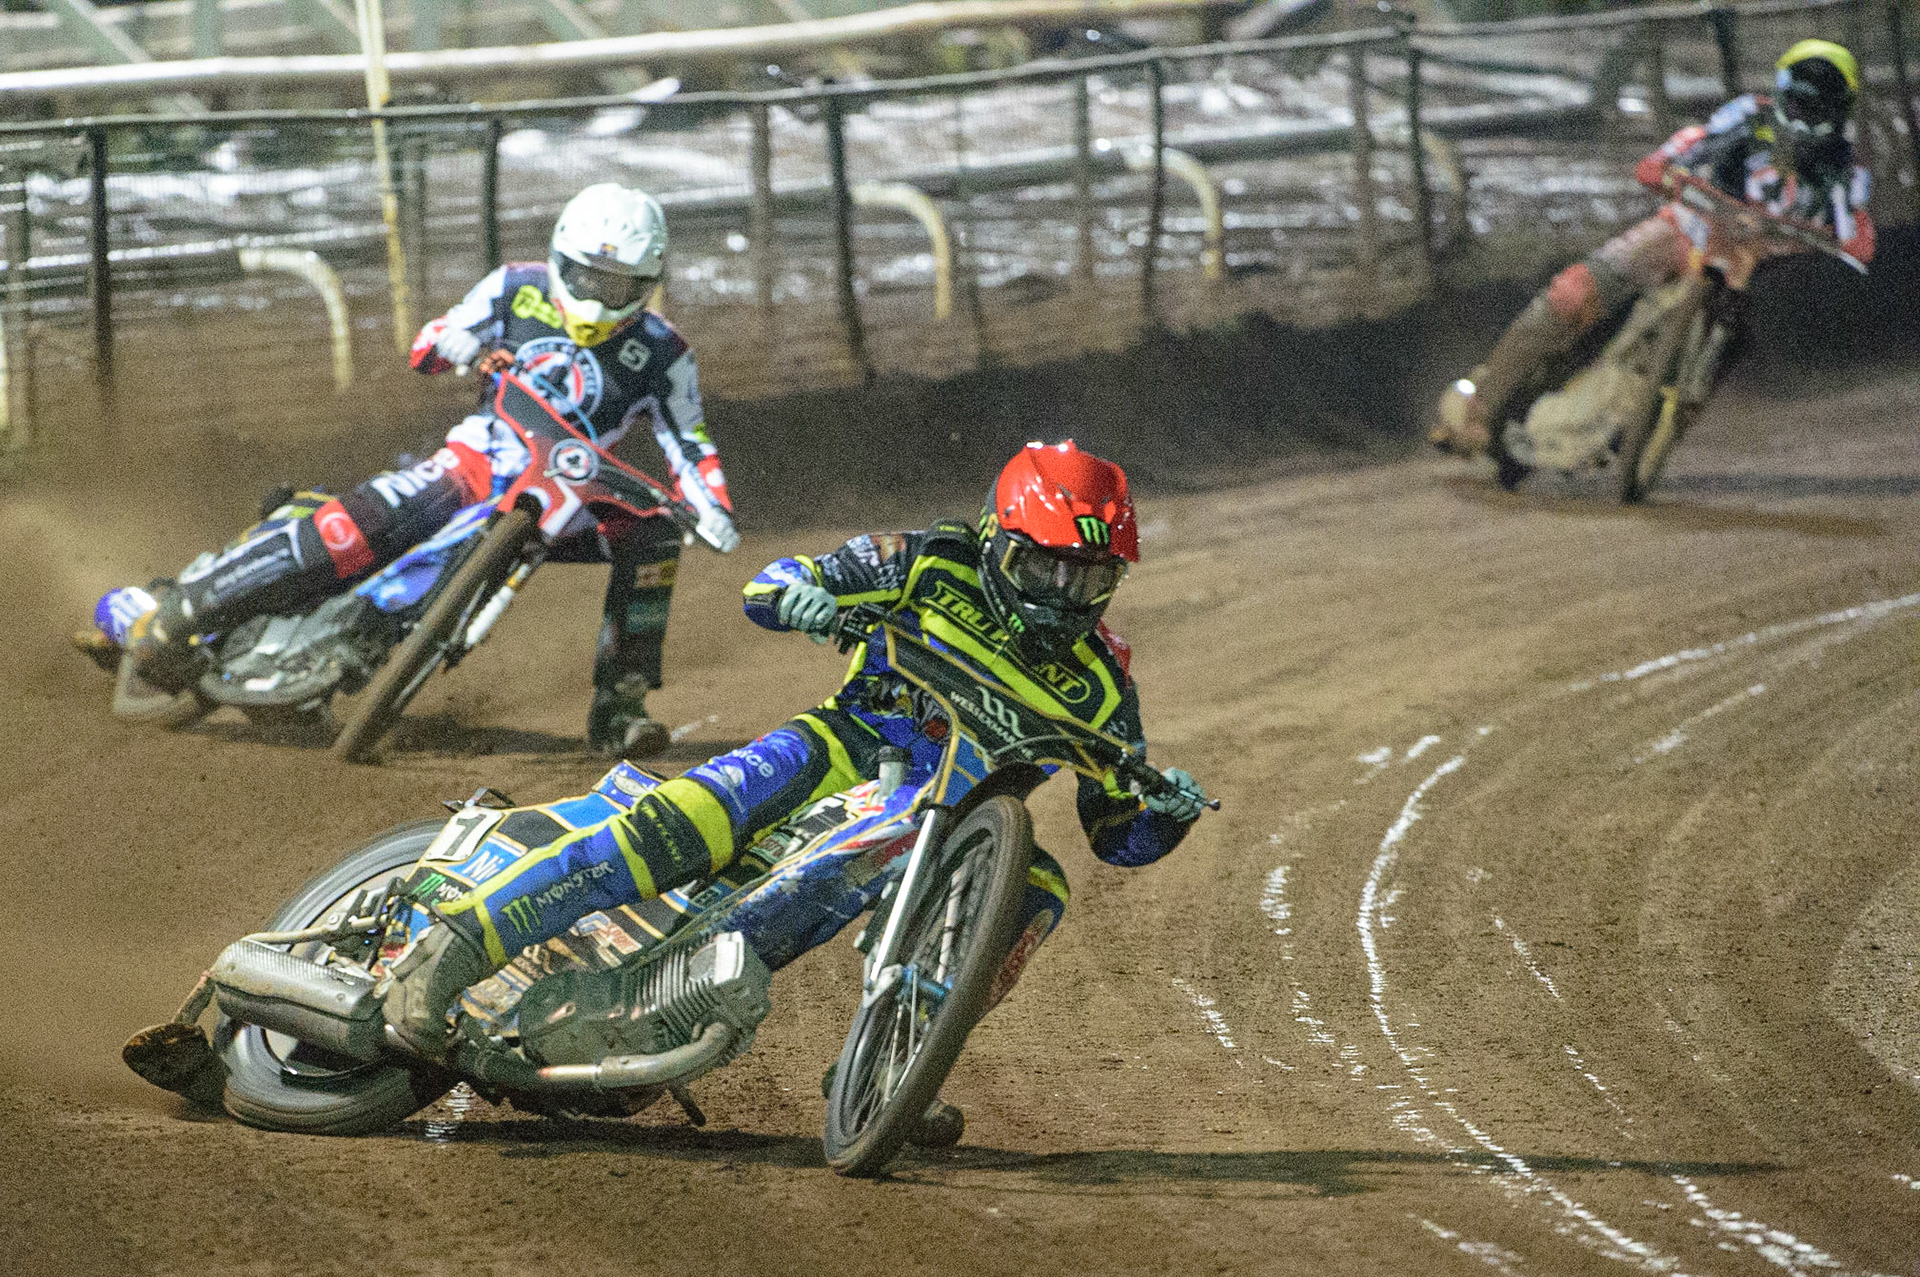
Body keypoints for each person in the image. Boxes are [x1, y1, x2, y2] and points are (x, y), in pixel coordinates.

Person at [379, 440, 1210, 1130]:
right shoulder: (928, 561)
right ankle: (447, 954)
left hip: (948, 831)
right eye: (1049, 569)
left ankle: (892, 1065)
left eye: (1092, 577)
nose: (1067, 598)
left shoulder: (1104, 681)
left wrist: (1163, 816)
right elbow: (769, 584)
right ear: (999, 541)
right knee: (683, 825)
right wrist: (807, 599)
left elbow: (1117, 832)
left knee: (1042, 884)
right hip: (838, 749)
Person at [76, 183, 739, 756]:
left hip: (572, 498)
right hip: (478, 459)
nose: (598, 296)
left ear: (647, 283)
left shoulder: (665, 352)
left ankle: (618, 708)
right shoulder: (518, 286)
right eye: (589, 277)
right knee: (359, 524)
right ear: (563, 257)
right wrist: (454, 341)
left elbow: (691, 442)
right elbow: (427, 343)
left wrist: (712, 503)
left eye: (618, 285)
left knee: (652, 535)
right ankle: (185, 608)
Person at [1429, 39, 1875, 458]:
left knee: (1726, 354)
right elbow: (1694, 141)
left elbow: (1856, 221)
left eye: (1818, 106)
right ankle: (1479, 407)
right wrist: (1663, 165)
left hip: (1747, 271)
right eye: (1799, 100)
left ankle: (1647, 437)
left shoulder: (1845, 169)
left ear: (1839, 110)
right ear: (1781, 91)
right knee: (1571, 294)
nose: (1804, 116)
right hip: (1685, 228)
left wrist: (1853, 240)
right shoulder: (1748, 116)